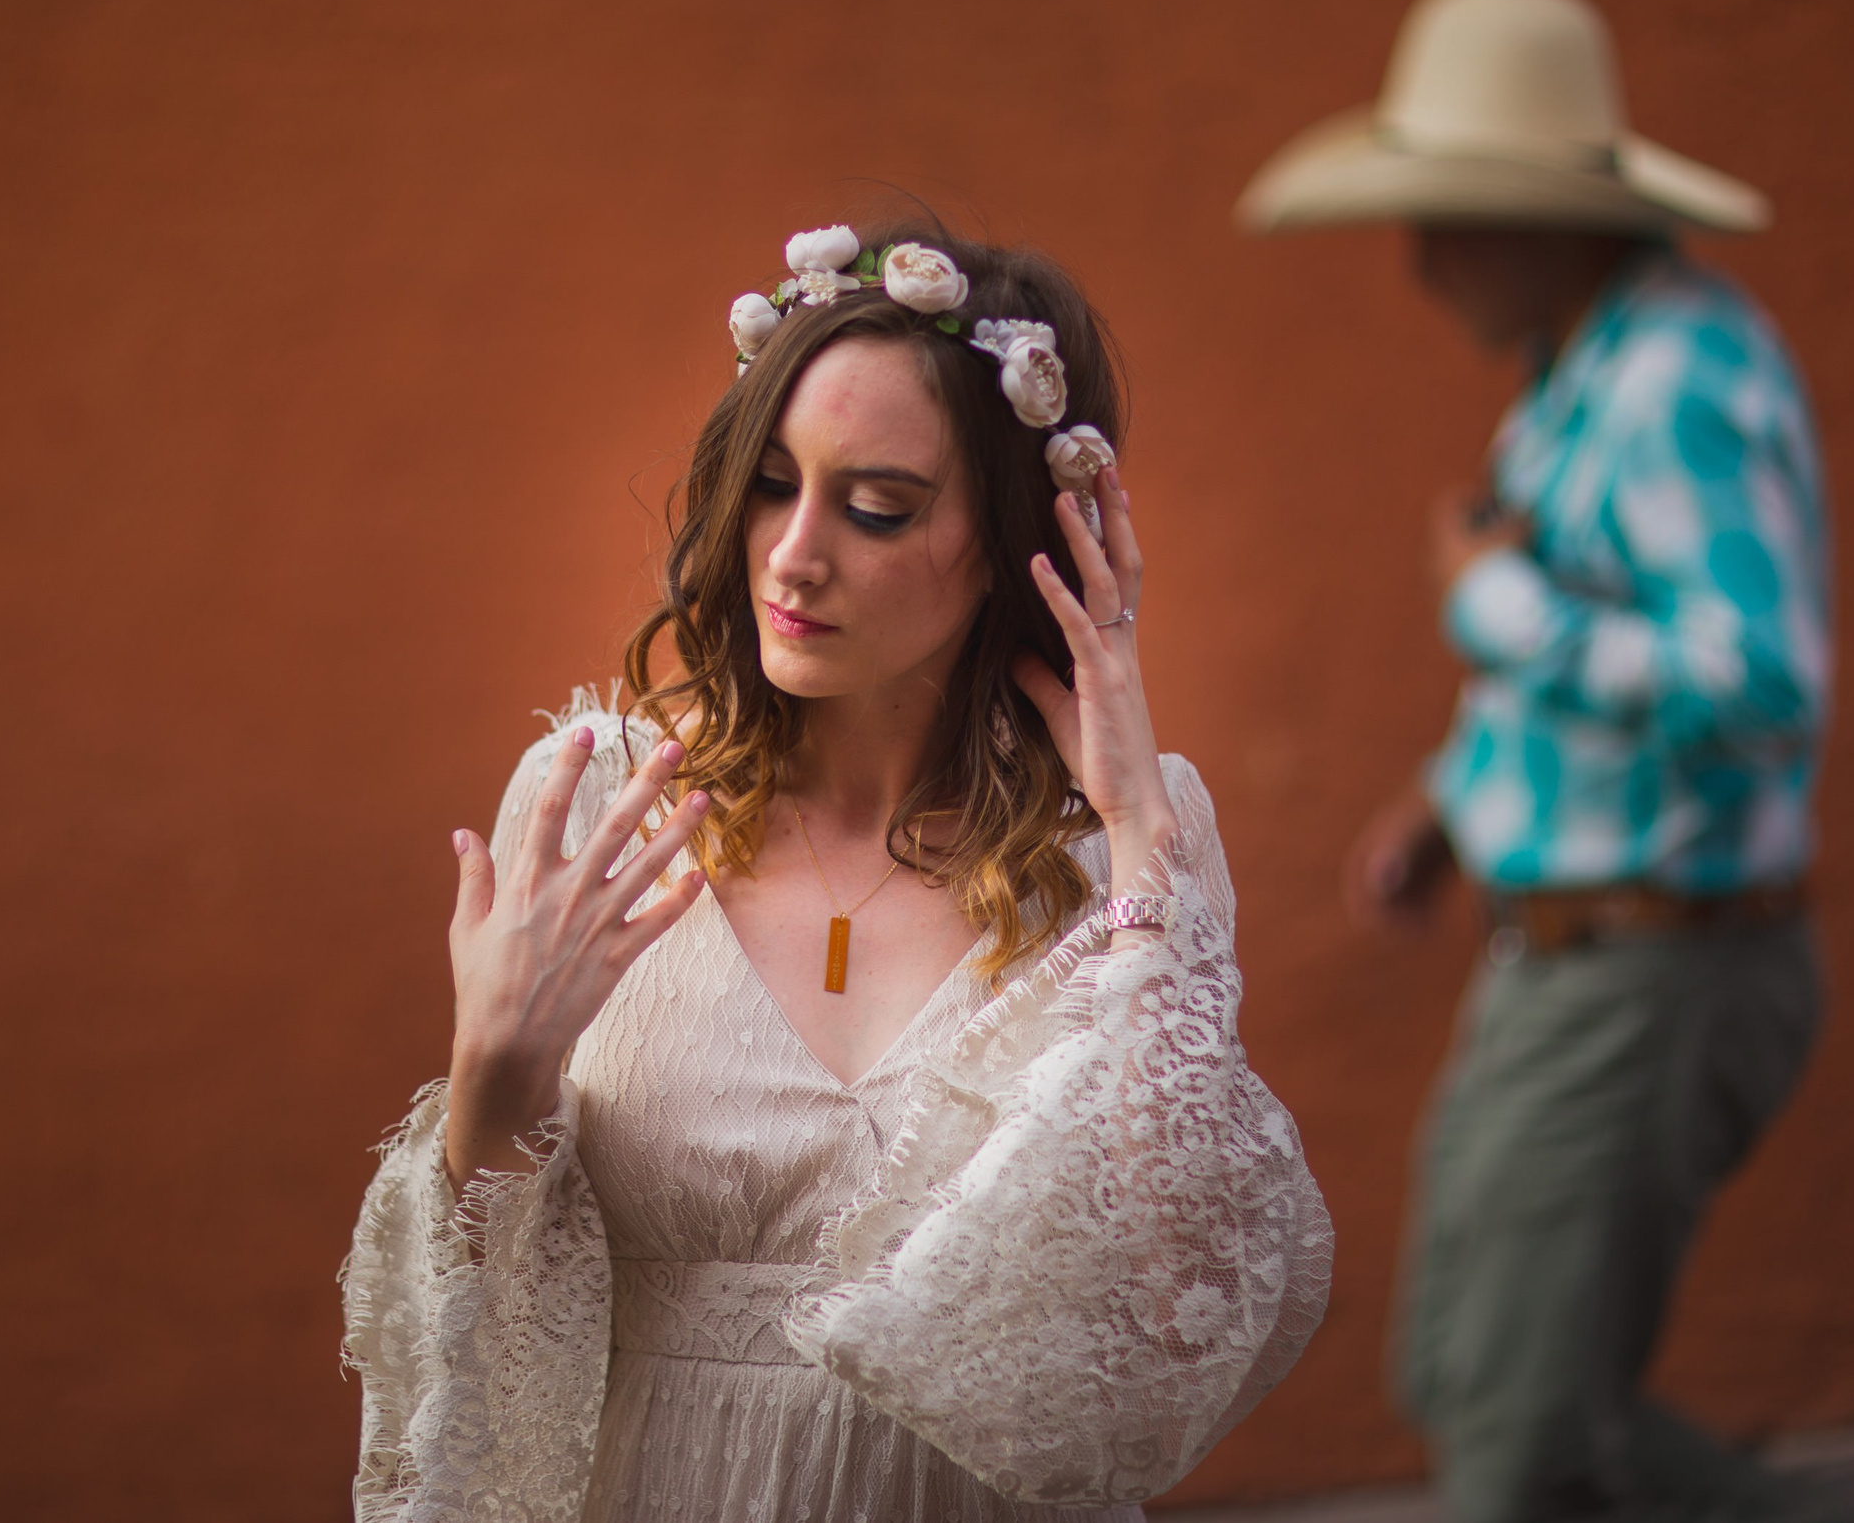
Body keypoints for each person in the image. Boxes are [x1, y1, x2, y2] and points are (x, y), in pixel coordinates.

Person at [341, 218, 1332, 1521]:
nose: (794, 553)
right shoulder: (596, 807)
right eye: (771, 482)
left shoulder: (1126, 849)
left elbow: (1163, 1305)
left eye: (877, 507)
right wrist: (494, 1083)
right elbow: (475, 1359)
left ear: (1017, 544)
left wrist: (1140, 821)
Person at [1236, 0, 1833, 1522]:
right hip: (1572, 954)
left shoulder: (1673, 383)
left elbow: (1764, 682)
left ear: (1556, 216)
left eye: (1457, 212)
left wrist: (1488, 602)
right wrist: (1453, 799)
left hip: (1655, 965)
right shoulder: (1587, 365)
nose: (1422, 257)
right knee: (1473, 1382)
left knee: (1517, 1441)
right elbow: (1613, 631)